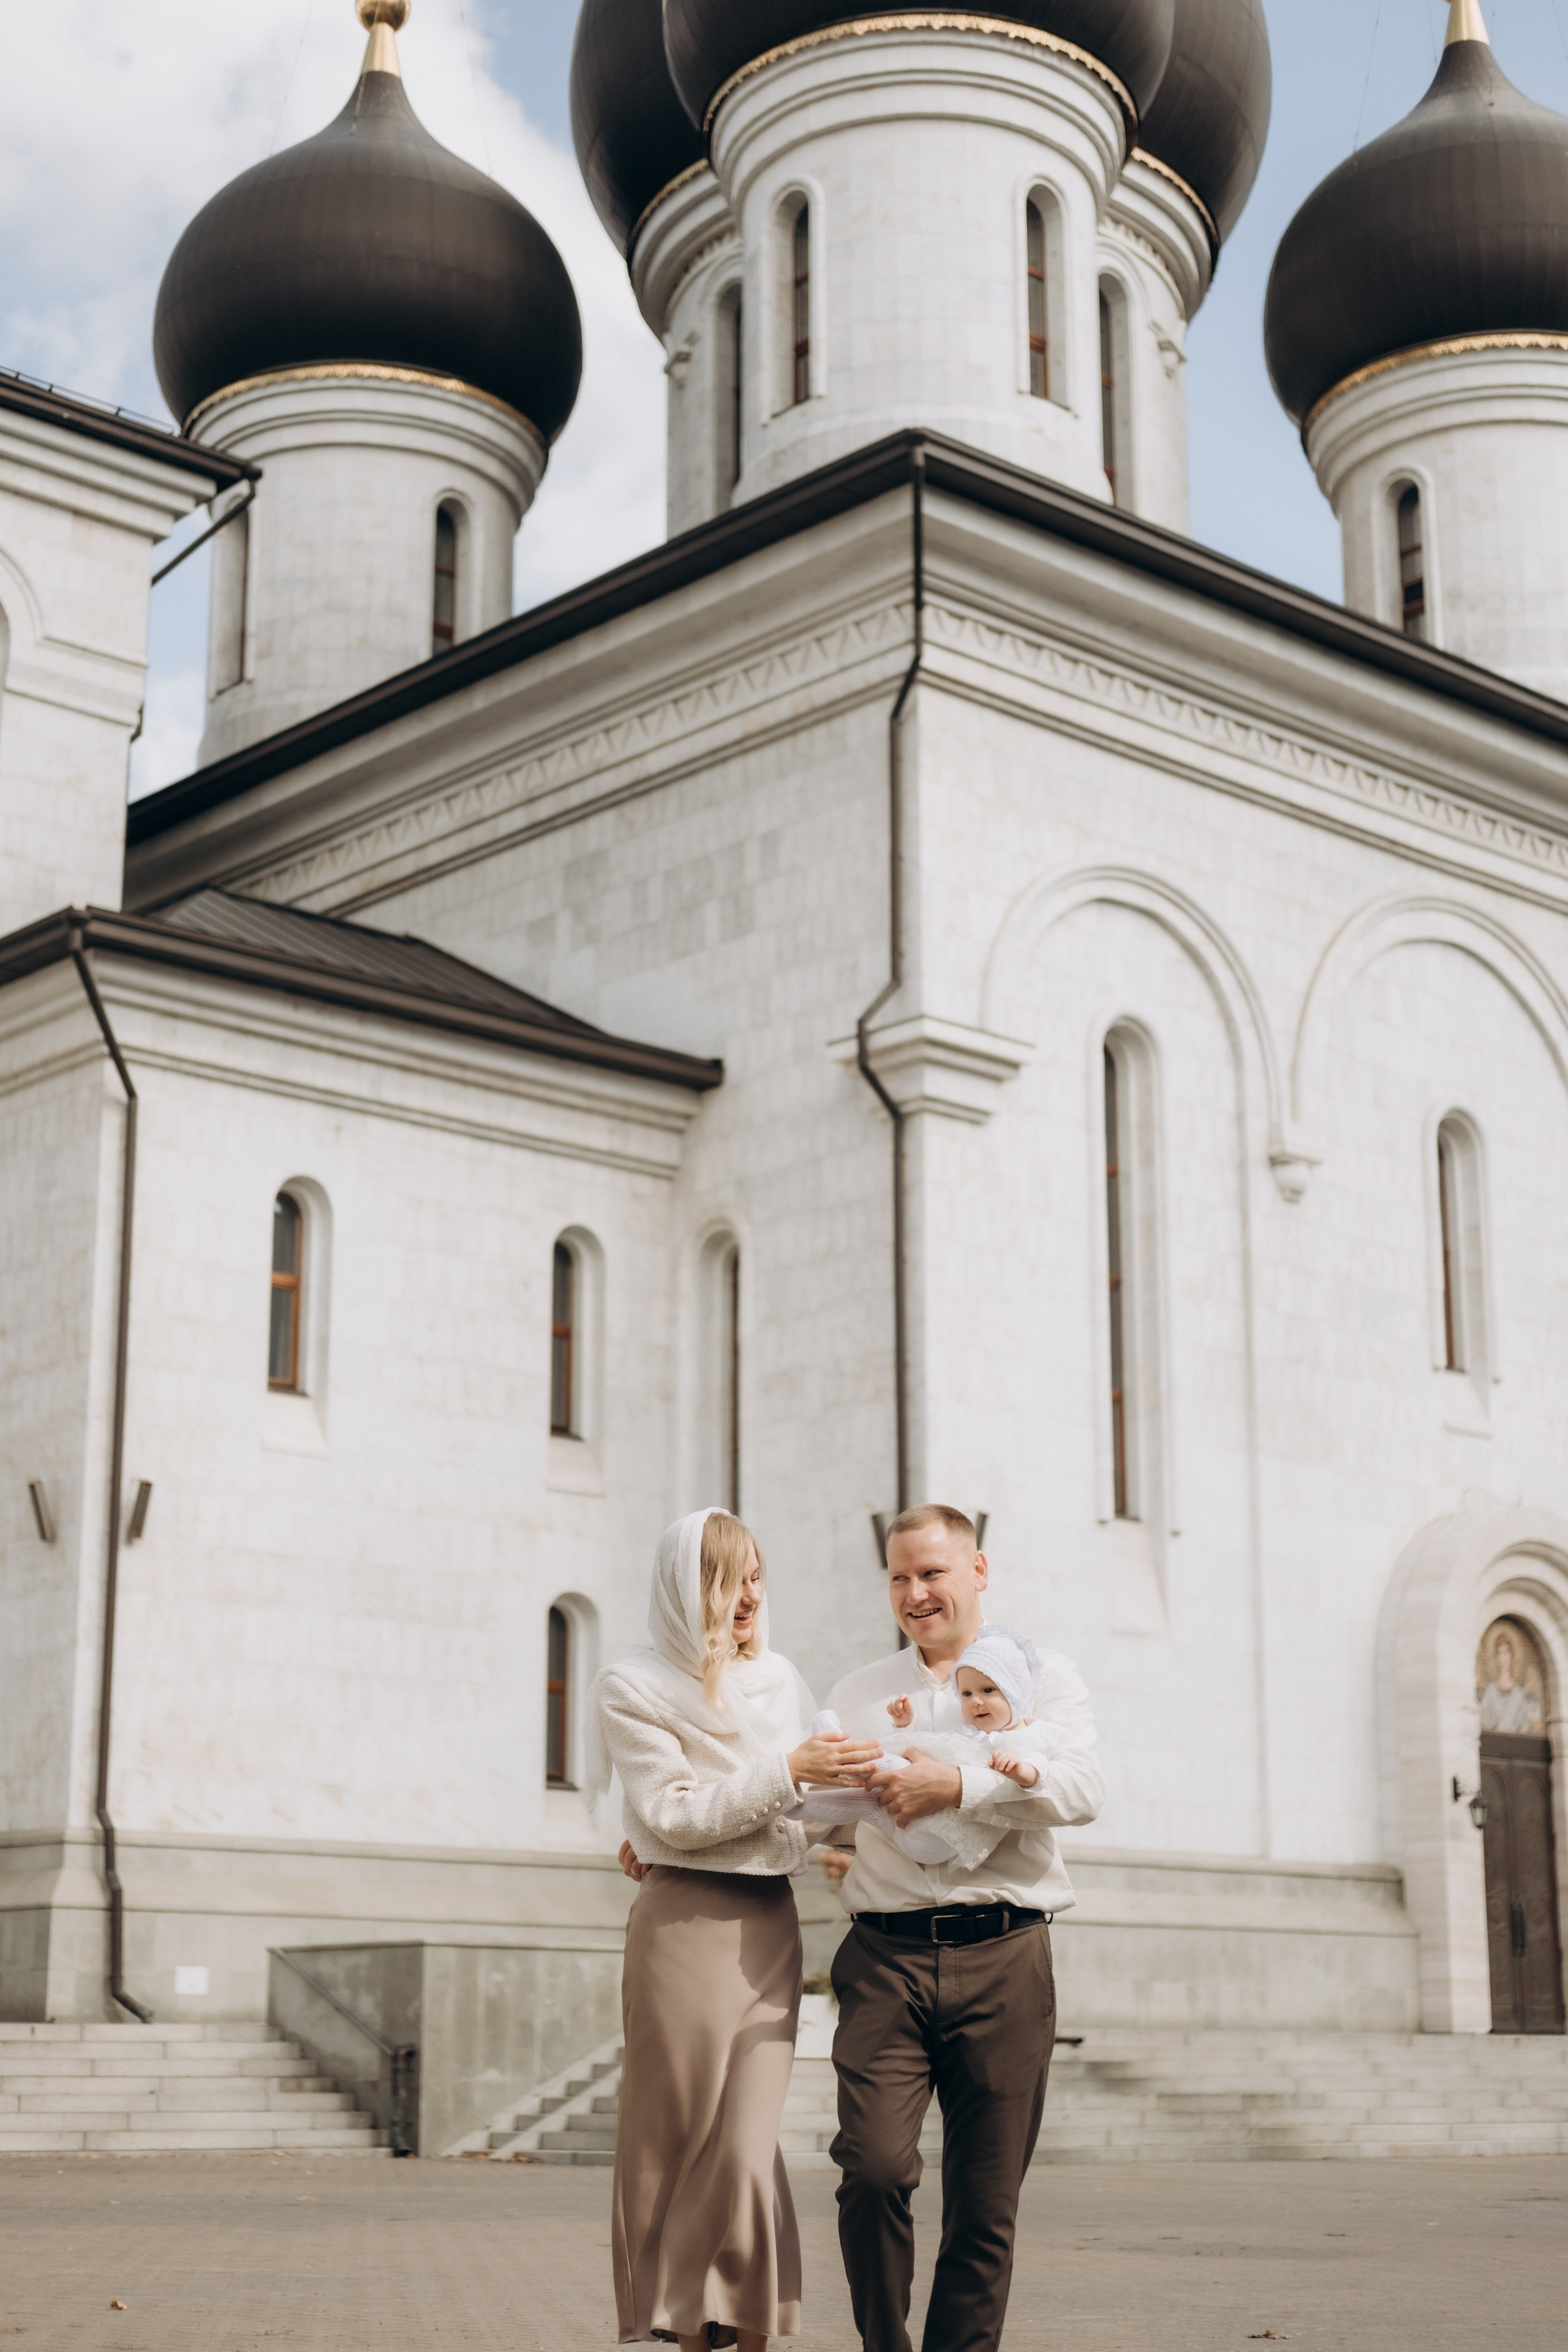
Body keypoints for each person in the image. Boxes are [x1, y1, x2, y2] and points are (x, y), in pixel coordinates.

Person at [591, 1507, 881, 2351]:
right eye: (726, 1581)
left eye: (755, 1577)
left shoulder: (780, 1679)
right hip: (684, 1928)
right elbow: (675, 1817)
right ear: (685, 1589)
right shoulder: (633, 1686)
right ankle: (693, 2332)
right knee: (685, 2141)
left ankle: (748, 2330)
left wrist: (878, 1785)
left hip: (768, 1928)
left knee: (747, 2149)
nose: (748, 1597)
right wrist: (787, 1775)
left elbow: (809, 1816)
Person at [823, 1505, 1105, 2352]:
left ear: (978, 1572)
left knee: (986, 2205)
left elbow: (1081, 1790)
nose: (915, 1593)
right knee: (872, 2170)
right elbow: (812, 1803)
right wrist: (669, 1841)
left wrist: (958, 1788)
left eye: (932, 1573)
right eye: (899, 1577)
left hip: (1005, 1955)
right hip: (886, 1959)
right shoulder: (859, 1694)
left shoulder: (1043, 1676)